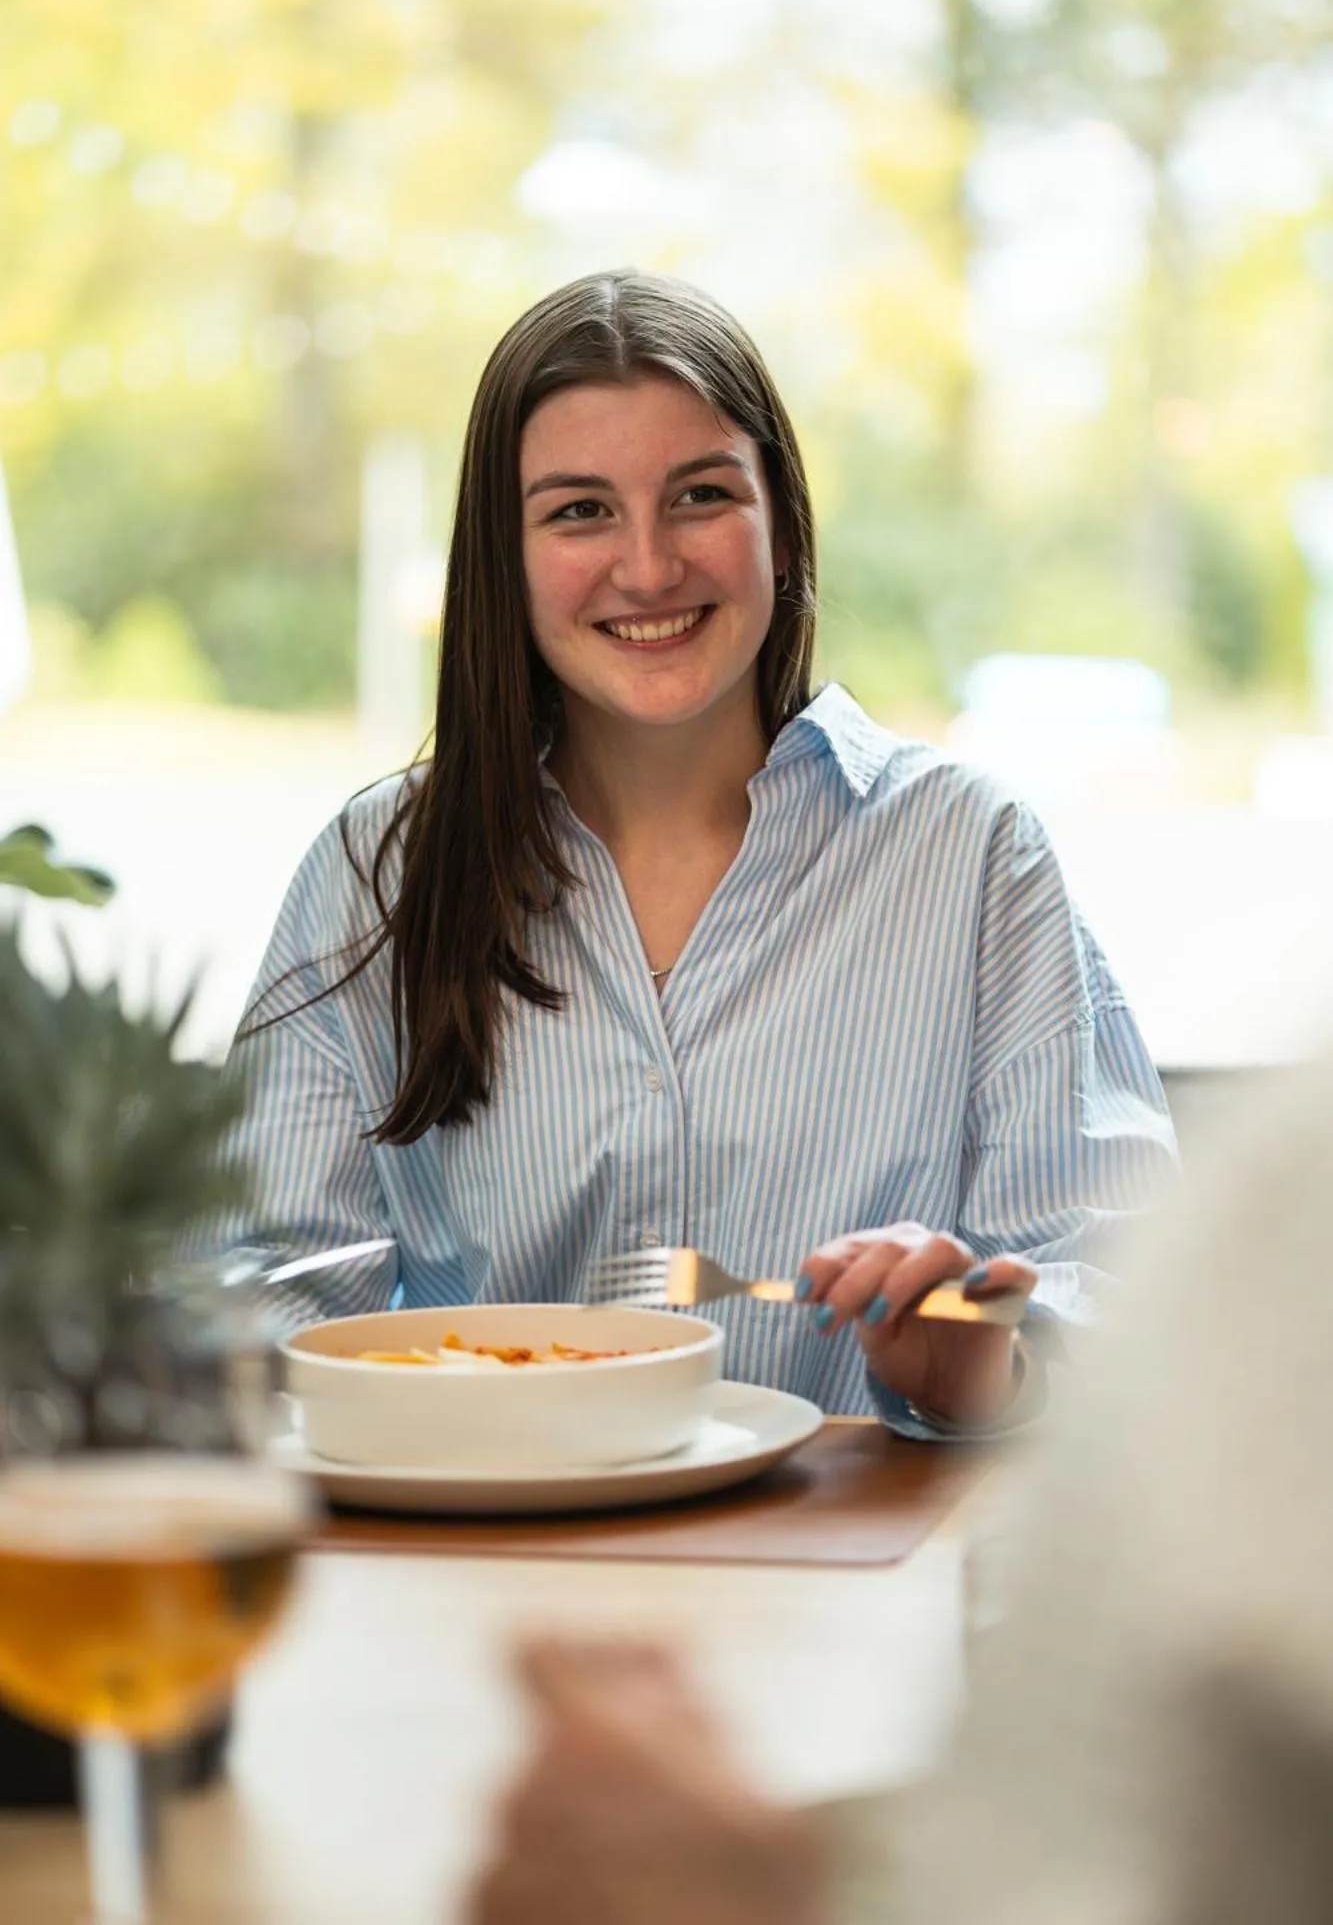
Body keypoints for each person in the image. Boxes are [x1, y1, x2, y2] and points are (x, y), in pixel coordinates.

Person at [217, 269, 1174, 1434]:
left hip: (859, 1581)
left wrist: (978, 1362)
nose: (650, 565)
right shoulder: (376, 873)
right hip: (471, 1571)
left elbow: (1129, 1302)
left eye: (700, 495)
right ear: (501, 556)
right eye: (579, 510)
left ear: (779, 521)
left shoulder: (972, 856)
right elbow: (267, 1303)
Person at [469, 1053, 1333, 1925]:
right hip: (458, 1588)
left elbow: (1107, 1312)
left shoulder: (1287, 1190)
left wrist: (999, 1367)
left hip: (849, 1610)